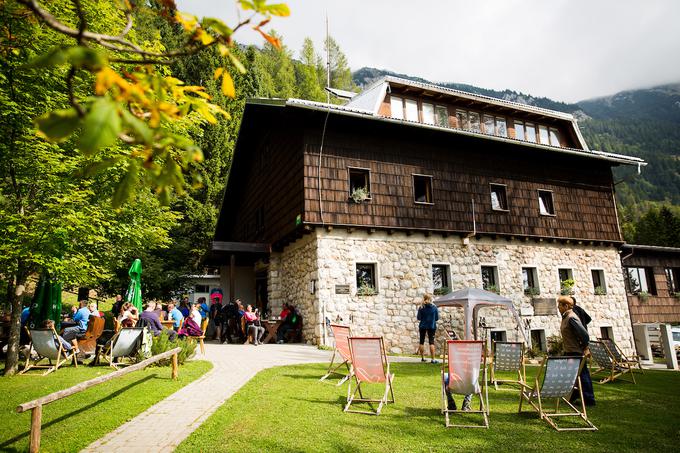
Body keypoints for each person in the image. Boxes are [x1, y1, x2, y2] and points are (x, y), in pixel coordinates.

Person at [557, 295, 596, 406]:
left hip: (575, 352)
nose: (558, 307)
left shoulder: (571, 317)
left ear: (566, 306)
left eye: (560, 305)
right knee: (572, 376)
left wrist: (586, 347)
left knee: (582, 375)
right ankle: (573, 396)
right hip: (569, 350)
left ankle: (589, 399)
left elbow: (584, 334)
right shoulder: (566, 317)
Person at [416, 293, 439, 364]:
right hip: (431, 326)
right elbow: (437, 318)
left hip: (422, 326)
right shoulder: (434, 308)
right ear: (430, 299)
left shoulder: (421, 307)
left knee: (421, 341)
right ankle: (433, 359)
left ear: (424, 298)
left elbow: (418, 318)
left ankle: (422, 358)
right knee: (431, 342)